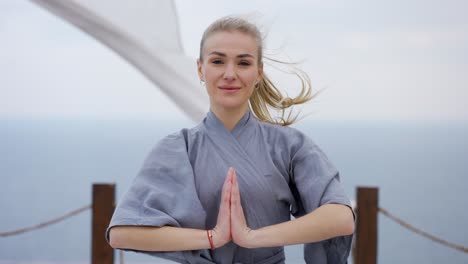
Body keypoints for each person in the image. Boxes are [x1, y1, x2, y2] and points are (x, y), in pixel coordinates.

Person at [106, 16, 355, 264]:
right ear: (201, 69)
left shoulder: (288, 145)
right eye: (217, 61)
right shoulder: (178, 148)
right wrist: (212, 237)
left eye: (243, 63)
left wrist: (252, 237)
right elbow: (122, 233)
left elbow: (341, 217)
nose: (229, 74)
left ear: (258, 72)